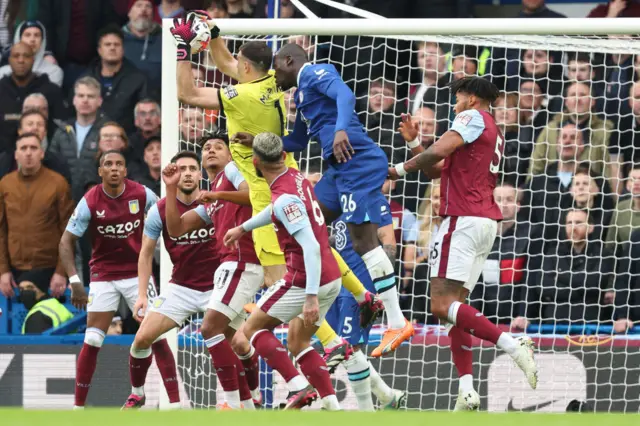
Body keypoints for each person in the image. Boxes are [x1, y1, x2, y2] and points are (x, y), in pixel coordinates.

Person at [171, 13, 383, 362]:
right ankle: (363, 296)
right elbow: (229, 62)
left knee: (283, 279)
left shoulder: (241, 96)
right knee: (316, 246)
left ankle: (332, 344)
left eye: (239, 64)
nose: (233, 66)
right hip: (293, 176)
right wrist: (214, 33)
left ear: (246, 68)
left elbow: (187, 92)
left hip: (266, 189)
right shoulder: (271, 80)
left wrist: (184, 49)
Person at [388, 76, 538, 410]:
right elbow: (437, 169)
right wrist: (415, 144)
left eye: (458, 98)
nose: (454, 104)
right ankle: (467, 390)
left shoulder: (470, 118)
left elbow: (439, 150)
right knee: (455, 312)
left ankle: (514, 346)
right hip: (484, 223)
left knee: (440, 306)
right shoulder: (493, 130)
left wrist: (397, 169)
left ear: (471, 99)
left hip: (462, 219)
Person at [262, 41, 414, 357]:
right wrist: (260, 142)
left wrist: (342, 129)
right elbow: (298, 142)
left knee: (363, 244)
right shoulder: (302, 96)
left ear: (289, 59)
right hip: (337, 171)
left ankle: (396, 320)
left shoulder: (317, 72)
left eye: (275, 66)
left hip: (357, 161)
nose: (274, 74)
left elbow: (346, 95)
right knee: (306, 222)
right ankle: (328, 295)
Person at [223, 132, 342, 411]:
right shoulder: (295, 176)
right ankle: (334, 408)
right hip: (330, 276)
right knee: (298, 341)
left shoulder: (283, 198)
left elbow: (309, 247)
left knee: (250, 330)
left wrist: (310, 296)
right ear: (282, 155)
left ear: (255, 162)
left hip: (305, 279)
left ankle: (298, 387)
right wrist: (244, 227)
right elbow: (277, 210)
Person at [57, 150, 175, 410]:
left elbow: (167, 218)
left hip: (137, 274)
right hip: (103, 275)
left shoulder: (142, 194)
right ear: (100, 171)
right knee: (93, 340)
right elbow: (66, 241)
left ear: (125, 170)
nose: (113, 168)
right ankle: (77, 409)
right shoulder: (90, 201)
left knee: (156, 336)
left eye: (118, 164)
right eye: (108, 164)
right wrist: (76, 281)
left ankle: (173, 404)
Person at [161, 134, 263, 410]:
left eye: (219, 147)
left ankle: (232, 404)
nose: (211, 150)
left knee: (209, 328)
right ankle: (251, 400)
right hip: (232, 266)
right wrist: (170, 189)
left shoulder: (230, 174)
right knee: (236, 340)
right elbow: (176, 229)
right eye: (206, 148)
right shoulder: (214, 196)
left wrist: (216, 194)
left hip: (242, 261)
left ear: (229, 155)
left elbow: (252, 196)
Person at [122, 150, 216, 409]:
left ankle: (248, 399)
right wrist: (142, 295)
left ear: (200, 174)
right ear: (172, 174)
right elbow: (145, 255)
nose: (186, 173)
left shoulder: (213, 203)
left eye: (191, 169)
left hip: (217, 288)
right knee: (141, 339)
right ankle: (137, 394)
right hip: (181, 288)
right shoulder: (159, 211)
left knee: (240, 342)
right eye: (181, 169)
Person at [0, 132, 73, 299]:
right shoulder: (5, 184)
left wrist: (61, 272)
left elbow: (69, 231)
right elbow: (1, 230)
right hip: (14, 269)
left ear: (42, 153)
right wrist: (3, 271)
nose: (28, 153)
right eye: (23, 148)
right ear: (16, 155)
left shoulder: (58, 183)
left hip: (49, 268)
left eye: (33, 148)